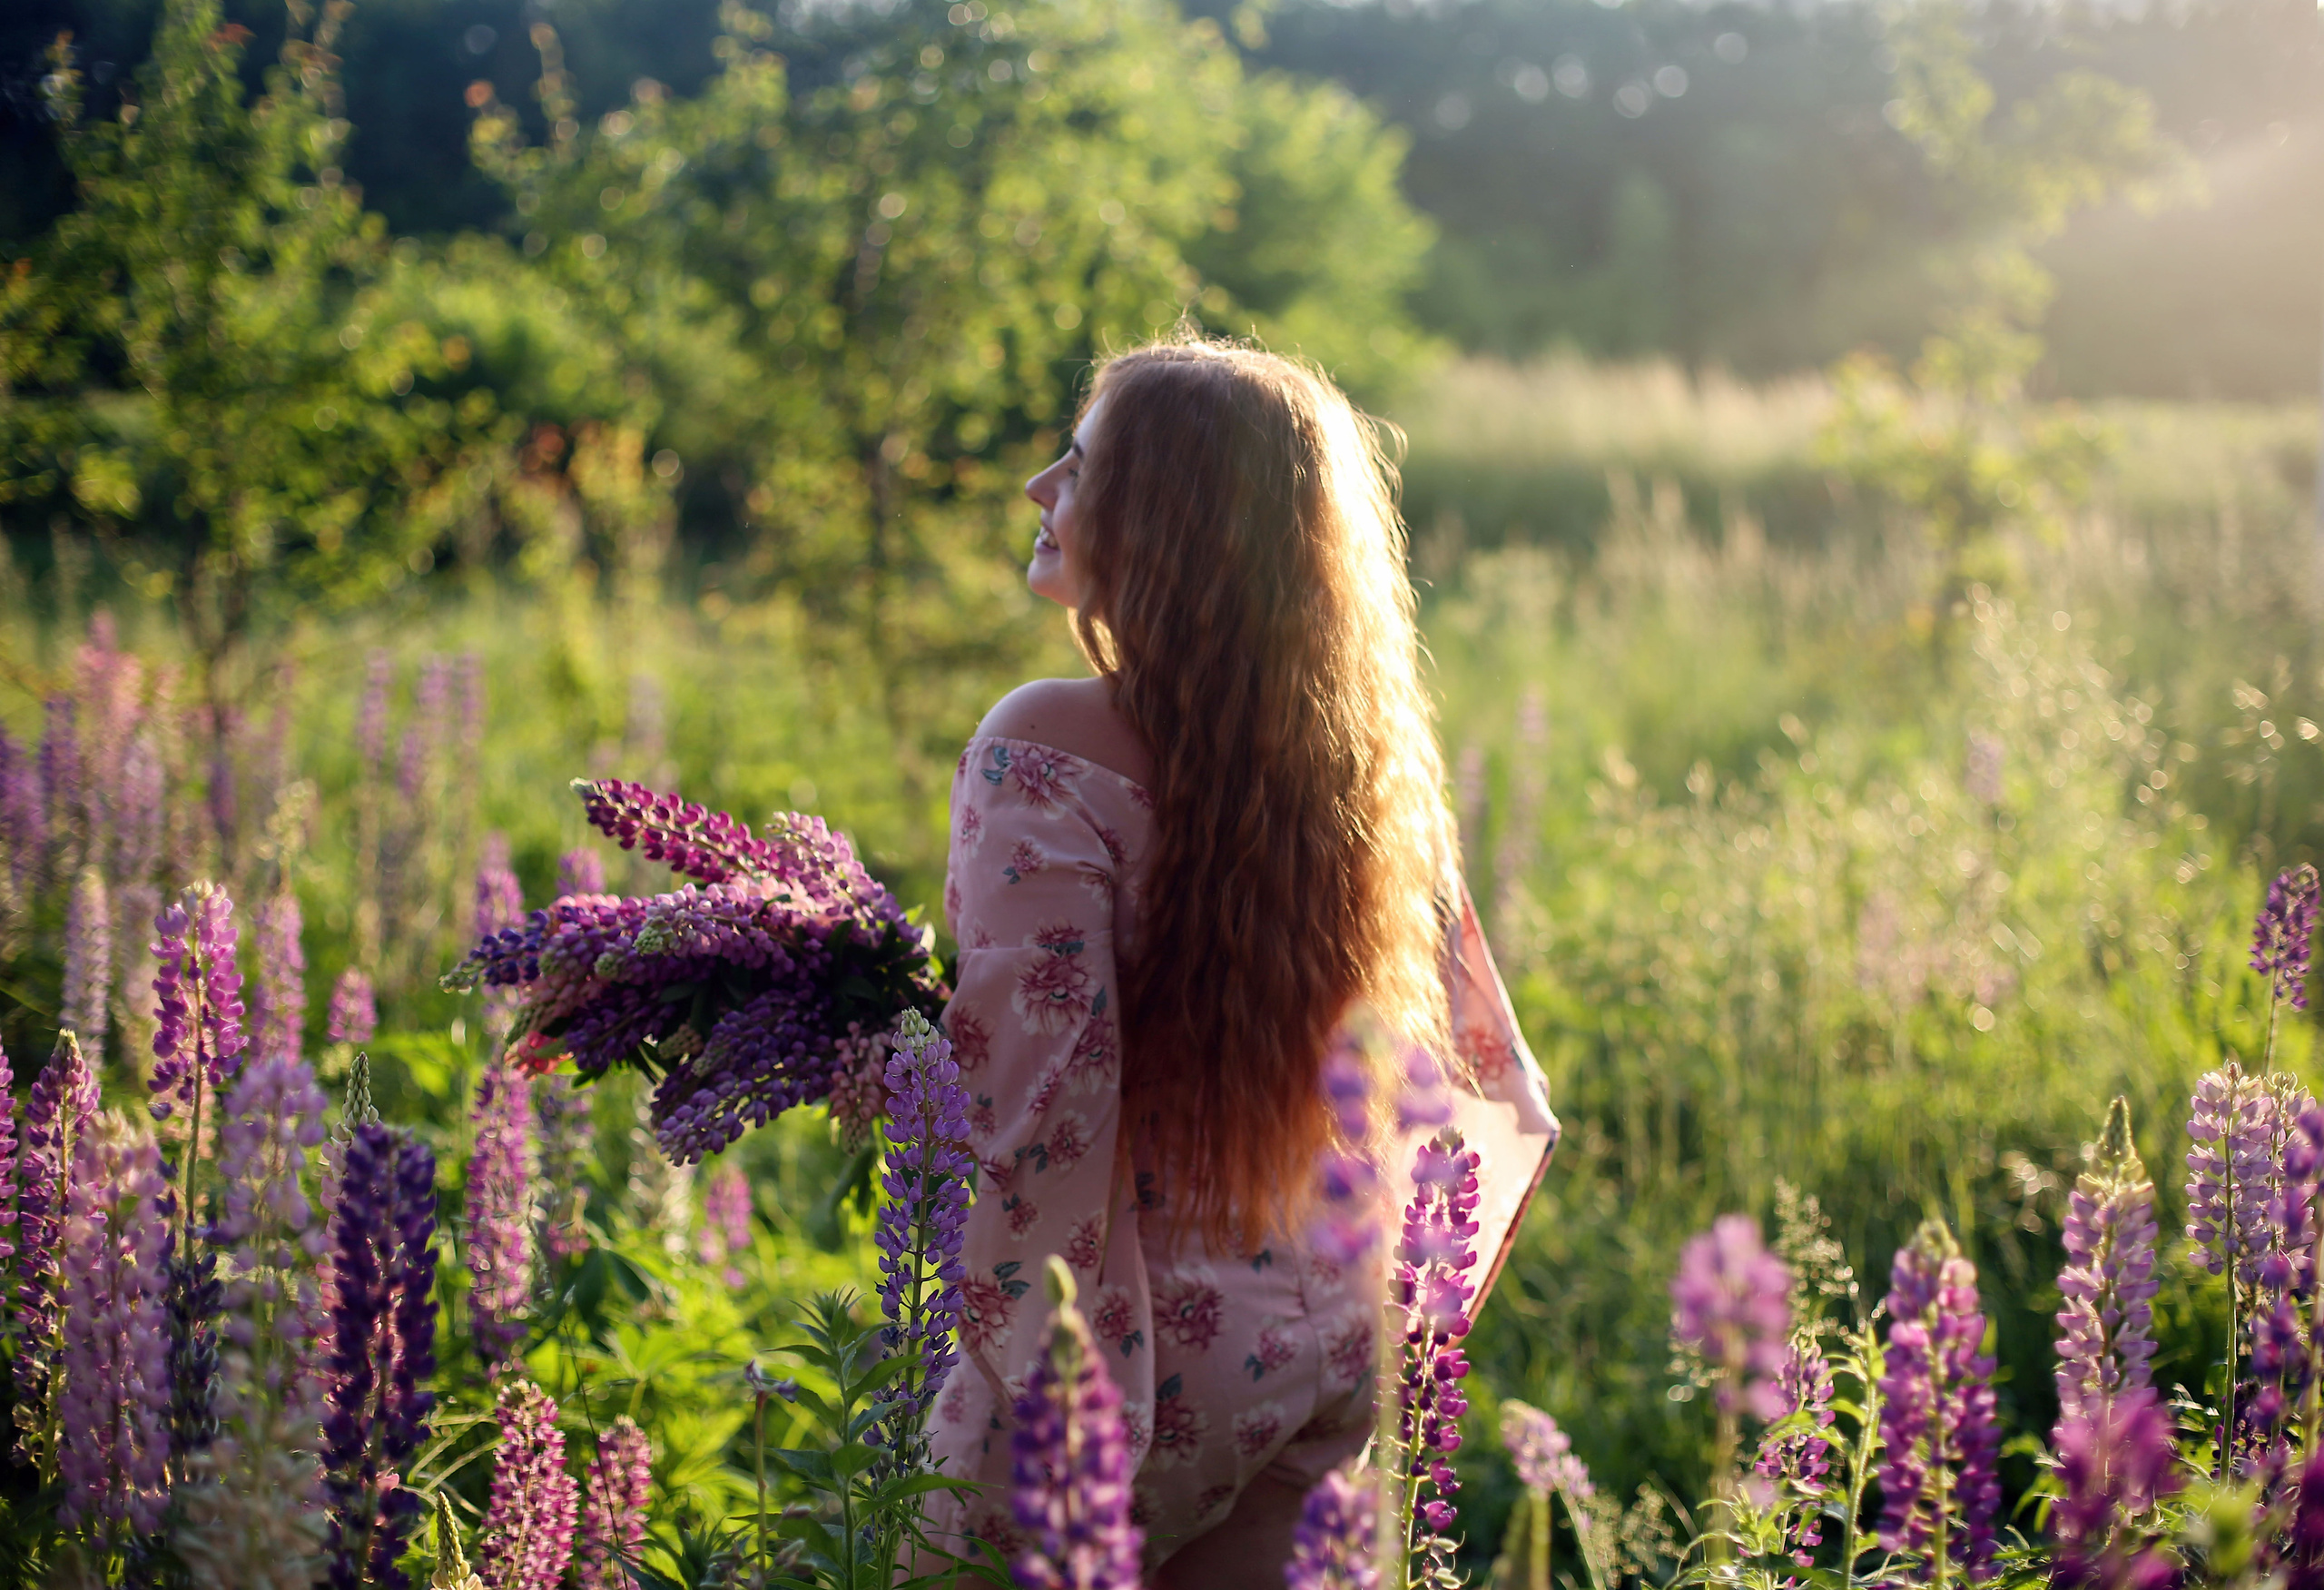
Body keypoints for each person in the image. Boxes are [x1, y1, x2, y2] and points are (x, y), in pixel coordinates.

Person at [928, 337, 1557, 1586]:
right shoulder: (1360, 775)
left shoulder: (1042, 743)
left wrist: (885, 1084)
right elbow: (1488, 1073)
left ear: (1170, 516)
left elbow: (1035, 1114)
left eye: (1086, 462)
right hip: (1327, 1335)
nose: (1040, 488)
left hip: (1117, 1351)